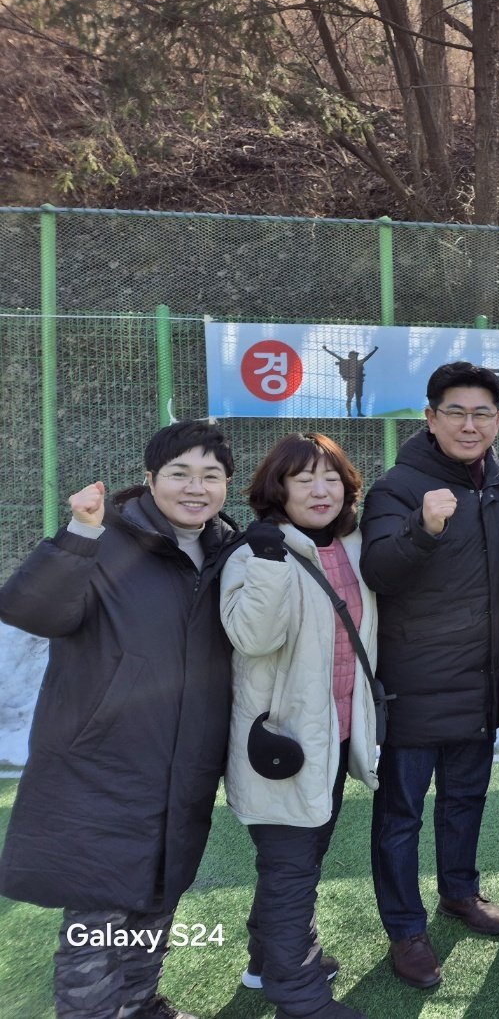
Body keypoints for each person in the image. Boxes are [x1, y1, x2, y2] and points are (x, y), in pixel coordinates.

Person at [0, 420, 238, 1019]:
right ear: (150, 479)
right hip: (102, 763)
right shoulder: (104, 539)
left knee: (157, 897)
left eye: (210, 476)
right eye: (180, 473)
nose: (195, 488)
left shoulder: (227, 552)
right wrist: (80, 532)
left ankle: (140, 1004)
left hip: (184, 761)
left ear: (226, 486)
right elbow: (31, 609)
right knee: (98, 915)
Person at [360, 361, 499, 988]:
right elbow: (378, 569)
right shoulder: (396, 488)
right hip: (414, 684)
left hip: (481, 680)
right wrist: (423, 530)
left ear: (498, 421)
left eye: (482, 414)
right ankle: (405, 929)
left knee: (466, 798)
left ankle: (459, 891)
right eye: (456, 412)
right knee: (401, 815)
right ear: (430, 418)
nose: (469, 425)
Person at [220, 434, 379, 1019]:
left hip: (333, 736)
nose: (320, 490)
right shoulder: (255, 554)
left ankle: (267, 961)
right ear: (277, 489)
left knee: (299, 861)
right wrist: (267, 563)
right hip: (281, 742)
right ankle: (300, 996)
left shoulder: (349, 547)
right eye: (304, 479)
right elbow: (253, 638)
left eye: (331, 478)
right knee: (291, 869)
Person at [323, 346, 378, 418]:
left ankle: (359, 413)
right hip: (351, 381)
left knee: (358, 398)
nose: (355, 356)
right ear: (351, 356)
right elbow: (335, 355)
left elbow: (368, 357)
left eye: (356, 355)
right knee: (350, 398)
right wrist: (326, 349)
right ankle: (349, 413)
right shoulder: (347, 362)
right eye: (354, 355)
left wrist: (374, 350)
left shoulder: (359, 362)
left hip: (358, 382)